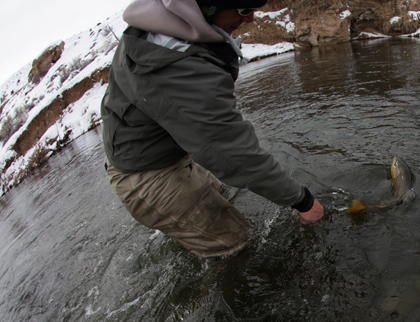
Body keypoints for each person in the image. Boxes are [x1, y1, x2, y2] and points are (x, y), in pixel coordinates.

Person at [101, 0, 324, 258]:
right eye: (243, 9)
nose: (250, 19)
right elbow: (234, 156)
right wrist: (303, 201)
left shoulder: (158, 26)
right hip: (146, 173)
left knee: (223, 195)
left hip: (159, 153)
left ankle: (193, 238)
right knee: (235, 242)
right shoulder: (181, 65)